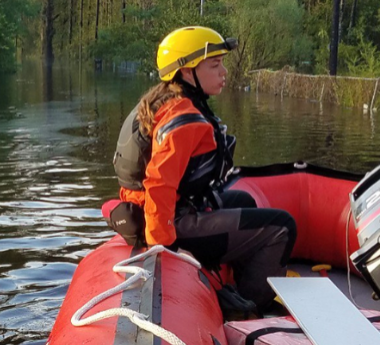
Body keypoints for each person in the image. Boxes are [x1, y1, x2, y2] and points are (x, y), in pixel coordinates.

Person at [110, 26, 296, 310]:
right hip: (171, 222)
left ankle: (236, 281)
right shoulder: (183, 117)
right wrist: (167, 246)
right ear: (187, 72)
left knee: (244, 200)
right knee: (282, 226)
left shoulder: (165, 99)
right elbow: (159, 184)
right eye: (215, 64)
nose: (224, 72)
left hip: (168, 209)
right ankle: (250, 307)